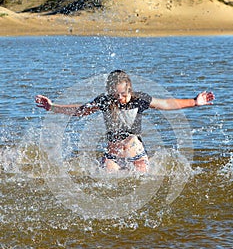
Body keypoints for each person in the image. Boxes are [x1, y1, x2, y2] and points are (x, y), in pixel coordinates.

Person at [35, 70, 214, 172]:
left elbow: (166, 103)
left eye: (124, 94)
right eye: (116, 95)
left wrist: (194, 102)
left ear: (130, 89)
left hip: (136, 155)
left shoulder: (140, 99)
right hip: (113, 155)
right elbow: (80, 111)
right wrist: (53, 107)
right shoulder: (104, 101)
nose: (121, 98)